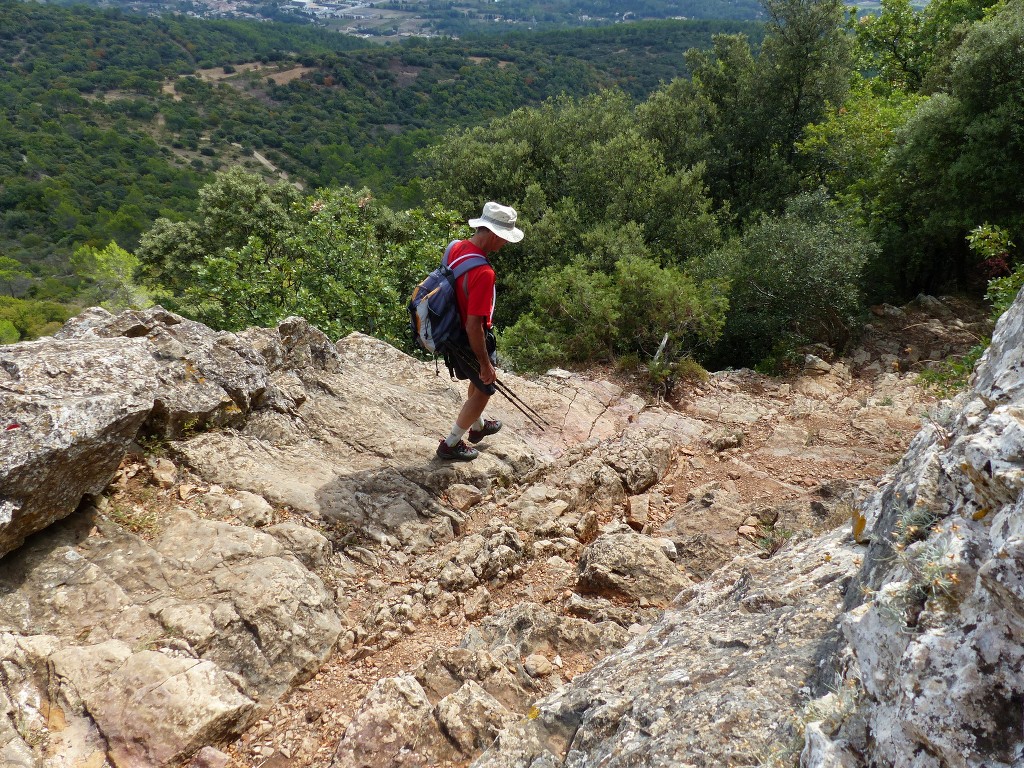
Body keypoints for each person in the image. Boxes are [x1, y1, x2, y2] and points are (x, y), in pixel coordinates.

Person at [436, 201, 524, 461]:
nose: (505, 245)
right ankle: (451, 444)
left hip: (449, 330)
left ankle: (478, 425)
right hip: (467, 337)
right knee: (485, 387)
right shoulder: (484, 272)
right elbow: (473, 325)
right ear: (495, 234)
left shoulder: (455, 247)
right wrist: (486, 364)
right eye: (504, 239)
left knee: (477, 382)